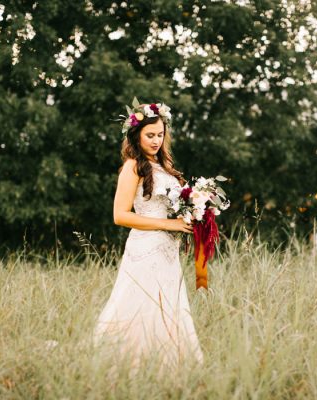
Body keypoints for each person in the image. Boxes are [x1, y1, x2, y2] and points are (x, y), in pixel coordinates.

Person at [92, 100, 204, 374]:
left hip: (168, 251)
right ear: (136, 135)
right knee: (139, 304)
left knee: (168, 306)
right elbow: (120, 215)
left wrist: (197, 209)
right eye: (149, 135)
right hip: (145, 248)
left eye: (160, 135)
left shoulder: (163, 166)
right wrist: (170, 224)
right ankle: (129, 367)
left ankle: (168, 368)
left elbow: (175, 207)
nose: (156, 140)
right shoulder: (133, 167)